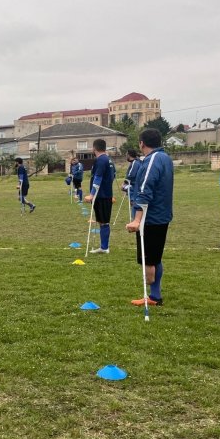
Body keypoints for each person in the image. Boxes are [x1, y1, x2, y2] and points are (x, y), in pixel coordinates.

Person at [126, 128, 174, 307]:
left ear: (142, 143)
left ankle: (152, 296)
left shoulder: (152, 159)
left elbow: (146, 190)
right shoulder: (165, 158)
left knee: (148, 261)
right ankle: (156, 295)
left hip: (151, 218)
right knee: (155, 257)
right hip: (162, 215)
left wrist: (137, 220)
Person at [84, 139, 116, 253]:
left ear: (94, 148)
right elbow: (113, 176)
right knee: (103, 220)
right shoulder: (109, 160)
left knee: (103, 221)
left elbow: (98, 178)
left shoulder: (101, 160)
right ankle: (104, 246)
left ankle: (104, 247)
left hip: (101, 196)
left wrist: (92, 194)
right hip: (106, 194)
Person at [123, 149, 142, 221]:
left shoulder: (135, 162)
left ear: (129, 155)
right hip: (136, 185)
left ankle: (135, 219)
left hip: (134, 186)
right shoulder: (138, 161)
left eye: (126, 155)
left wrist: (125, 182)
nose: (126, 156)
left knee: (134, 202)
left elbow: (131, 175)